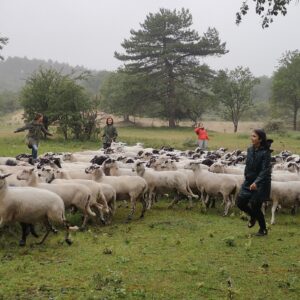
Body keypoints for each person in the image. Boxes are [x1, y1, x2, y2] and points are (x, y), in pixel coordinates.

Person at [237, 129, 273, 236]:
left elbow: (265, 169)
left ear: (260, 139)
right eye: (251, 136)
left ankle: (263, 229)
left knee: (256, 205)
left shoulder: (265, 153)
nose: (251, 138)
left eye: (254, 136)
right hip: (249, 181)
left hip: (261, 183)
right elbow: (248, 165)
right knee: (240, 202)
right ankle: (252, 216)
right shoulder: (250, 149)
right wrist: (246, 177)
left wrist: (257, 182)